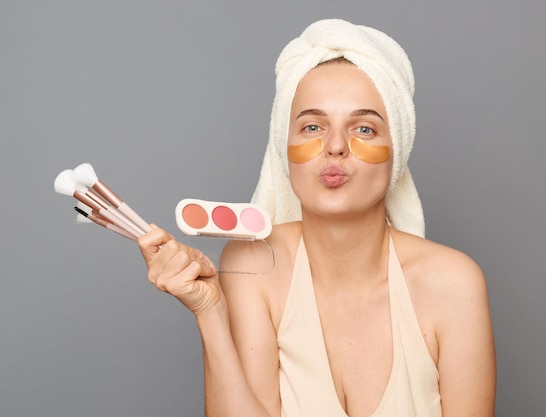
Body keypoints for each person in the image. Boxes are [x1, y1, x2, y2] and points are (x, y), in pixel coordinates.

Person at [138, 19, 496, 417]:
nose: (336, 147)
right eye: (312, 126)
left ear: (398, 148)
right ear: (283, 144)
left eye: (364, 128)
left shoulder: (454, 283)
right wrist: (210, 312)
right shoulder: (252, 264)